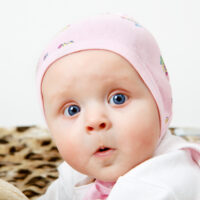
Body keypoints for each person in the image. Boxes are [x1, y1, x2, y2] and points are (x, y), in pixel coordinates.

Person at [36, 13, 200, 200]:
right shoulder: (76, 175)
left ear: (159, 100)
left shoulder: (164, 185)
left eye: (118, 99)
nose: (95, 121)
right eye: (72, 110)